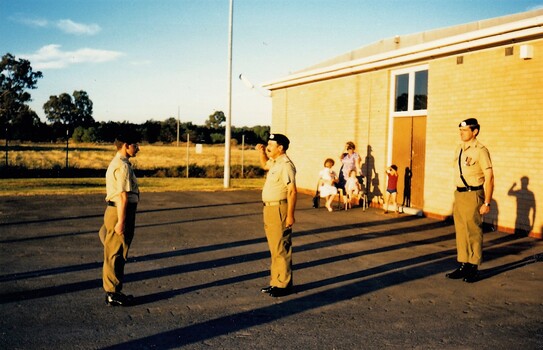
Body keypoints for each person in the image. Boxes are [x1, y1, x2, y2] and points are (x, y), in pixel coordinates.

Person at [446, 118, 494, 283]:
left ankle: (473, 267)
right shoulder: (459, 149)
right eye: (460, 130)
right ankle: (463, 264)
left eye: (465, 130)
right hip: (459, 194)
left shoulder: (481, 150)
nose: (462, 133)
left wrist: (487, 202)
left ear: (475, 131)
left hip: (473, 194)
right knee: (461, 231)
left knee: (473, 231)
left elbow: (489, 177)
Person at [98, 132, 140, 306]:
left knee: (111, 248)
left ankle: (113, 290)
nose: (138, 148)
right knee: (116, 253)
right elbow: (123, 197)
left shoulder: (117, 163)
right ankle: (113, 293)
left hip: (114, 211)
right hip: (120, 211)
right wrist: (121, 222)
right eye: (135, 145)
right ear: (125, 145)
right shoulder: (122, 166)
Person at [256, 133, 297, 297]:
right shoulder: (276, 162)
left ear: (280, 147)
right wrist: (261, 152)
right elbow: (265, 165)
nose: (268, 147)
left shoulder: (286, 165)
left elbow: (292, 191)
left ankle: (284, 285)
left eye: (271, 145)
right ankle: (276, 282)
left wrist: (290, 215)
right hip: (269, 209)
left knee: (281, 248)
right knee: (275, 248)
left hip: (279, 209)